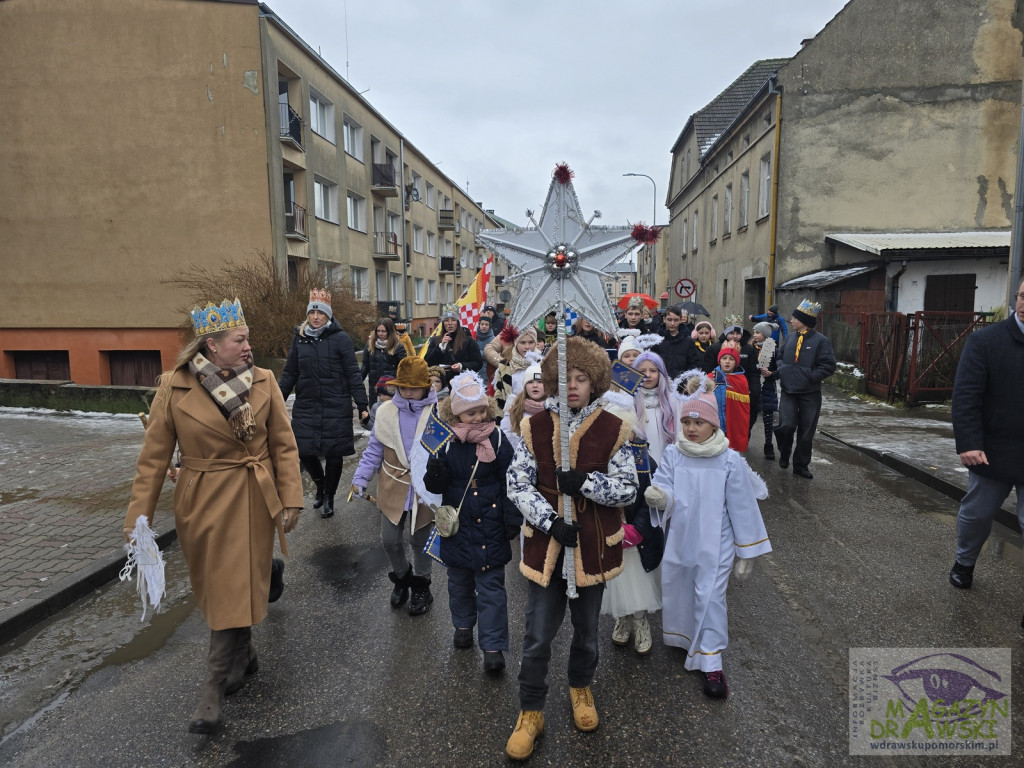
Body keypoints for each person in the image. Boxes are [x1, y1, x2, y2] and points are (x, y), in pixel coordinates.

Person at [123, 298, 303, 734]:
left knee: (232, 584)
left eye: (247, 339)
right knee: (222, 587)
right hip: (200, 500)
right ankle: (243, 655)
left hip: (252, 498)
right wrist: (138, 519)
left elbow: (283, 443)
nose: (248, 347)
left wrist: (292, 496)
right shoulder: (175, 386)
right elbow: (152, 459)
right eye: (239, 340)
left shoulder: (264, 380)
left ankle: (211, 691)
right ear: (212, 345)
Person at [504, 337, 638, 761]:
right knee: (537, 635)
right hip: (548, 545)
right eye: (567, 378)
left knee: (586, 633)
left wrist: (586, 483)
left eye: (582, 378)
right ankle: (531, 711)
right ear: (554, 381)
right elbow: (517, 484)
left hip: (593, 548)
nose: (574, 385)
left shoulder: (614, 428)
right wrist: (550, 521)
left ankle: (581, 688)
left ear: (595, 382)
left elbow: (628, 489)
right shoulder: (535, 426)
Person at [644, 371, 771, 699]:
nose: (691, 429)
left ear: (714, 425)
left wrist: (748, 552)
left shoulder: (729, 460)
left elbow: (742, 506)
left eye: (698, 423)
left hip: (717, 542)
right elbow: (666, 486)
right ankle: (685, 639)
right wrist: (662, 497)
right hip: (682, 536)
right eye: (686, 422)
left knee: (711, 598)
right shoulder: (674, 454)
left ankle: (711, 660)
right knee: (681, 587)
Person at [416, 372, 521, 674]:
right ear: (456, 412)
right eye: (470, 412)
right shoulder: (447, 442)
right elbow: (435, 488)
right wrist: (435, 473)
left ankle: (493, 646)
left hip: (491, 528)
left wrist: (511, 519)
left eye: (481, 411)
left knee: (492, 590)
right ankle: (462, 625)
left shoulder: (498, 439)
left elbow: (511, 481)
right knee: (459, 583)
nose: (477, 417)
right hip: (458, 530)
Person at [948, 278, 1024, 590]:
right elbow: (966, 396)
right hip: (992, 448)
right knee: (977, 514)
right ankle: (964, 562)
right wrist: (969, 442)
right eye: (1022, 295)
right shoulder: (986, 342)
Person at [352, 357, 439, 615]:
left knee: (421, 538)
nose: (410, 392)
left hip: (425, 486)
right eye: (405, 386)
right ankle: (403, 577)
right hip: (394, 483)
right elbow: (374, 449)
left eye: (415, 387)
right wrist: (361, 478)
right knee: (389, 539)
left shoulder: (437, 413)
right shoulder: (386, 412)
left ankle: (422, 585)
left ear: (426, 386)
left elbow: (447, 451)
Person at [600, 350, 671, 654]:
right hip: (610, 531)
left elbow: (651, 496)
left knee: (638, 578)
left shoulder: (643, 457)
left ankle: (640, 620)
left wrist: (639, 528)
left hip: (637, 534)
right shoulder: (597, 460)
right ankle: (623, 618)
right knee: (616, 579)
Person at [279, 289, 369, 519]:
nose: (316, 316)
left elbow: (352, 374)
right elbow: (290, 372)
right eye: (312, 312)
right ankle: (320, 485)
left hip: (335, 404)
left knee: (334, 454)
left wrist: (362, 405)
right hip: (307, 404)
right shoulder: (300, 338)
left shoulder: (341, 339)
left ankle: (329, 496)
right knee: (304, 450)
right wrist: (276, 400)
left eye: (320, 312)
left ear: (328, 315)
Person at [774, 299, 836, 479]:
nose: (791, 321)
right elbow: (779, 357)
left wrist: (810, 376)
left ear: (804, 321)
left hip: (810, 393)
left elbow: (828, 365)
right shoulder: (790, 338)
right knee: (786, 426)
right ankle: (784, 453)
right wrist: (781, 370)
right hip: (788, 391)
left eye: (794, 318)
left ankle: (801, 465)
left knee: (806, 432)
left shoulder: (821, 341)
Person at [708, 315, 760, 434]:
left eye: (738, 333)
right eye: (731, 333)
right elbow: (709, 370)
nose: (735, 336)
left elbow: (754, 373)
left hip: (742, 389)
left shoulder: (749, 350)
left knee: (742, 420)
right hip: (720, 388)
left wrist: (754, 390)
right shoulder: (714, 348)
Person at [425, 304, 483, 384]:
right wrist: (440, 347)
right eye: (446, 320)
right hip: (441, 384)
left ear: (458, 322)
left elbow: (478, 363)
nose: (450, 323)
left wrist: (461, 366)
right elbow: (427, 362)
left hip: (462, 383)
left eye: (453, 320)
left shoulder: (468, 340)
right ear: (443, 323)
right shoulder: (435, 340)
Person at [709, 341, 751, 453]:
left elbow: (743, 410)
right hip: (714, 421)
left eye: (731, 359)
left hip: (733, 422)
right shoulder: (710, 378)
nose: (727, 362)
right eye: (724, 358)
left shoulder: (741, 381)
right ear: (719, 360)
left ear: (736, 362)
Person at [500, 357, 546, 448]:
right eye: (530, 382)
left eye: (540, 382)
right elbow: (505, 434)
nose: (535, 385)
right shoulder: (514, 407)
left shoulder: (554, 408)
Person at [750, 322, 780, 460]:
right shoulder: (750, 348)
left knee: (768, 419)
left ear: (766, 335)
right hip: (752, 386)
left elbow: (780, 369)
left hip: (767, 387)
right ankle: (746, 436)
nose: (755, 335)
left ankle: (768, 445)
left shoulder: (773, 350)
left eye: (758, 332)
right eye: (754, 332)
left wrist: (772, 373)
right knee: (750, 416)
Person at [361, 317, 407, 404]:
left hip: (390, 388)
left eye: (383, 331)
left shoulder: (398, 347)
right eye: (378, 331)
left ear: (389, 331)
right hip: (374, 388)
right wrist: (358, 382)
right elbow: (364, 366)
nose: (380, 334)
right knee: (375, 413)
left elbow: (403, 369)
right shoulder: (370, 345)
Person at [491, 325, 538, 411]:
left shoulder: (541, 364)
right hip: (512, 414)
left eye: (531, 342)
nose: (527, 346)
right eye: (522, 342)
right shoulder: (505, 367)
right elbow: (499, 397)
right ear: (516, 344)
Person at [652, 305, 695, 379]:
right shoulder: (657, 339)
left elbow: (694, 363)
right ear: (664, 319)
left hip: (680, 384)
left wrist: (688, 380)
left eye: (676, 320)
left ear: (680, 320)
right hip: (660, 382)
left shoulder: (688, 341)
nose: (672, 323)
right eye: (669, 319)